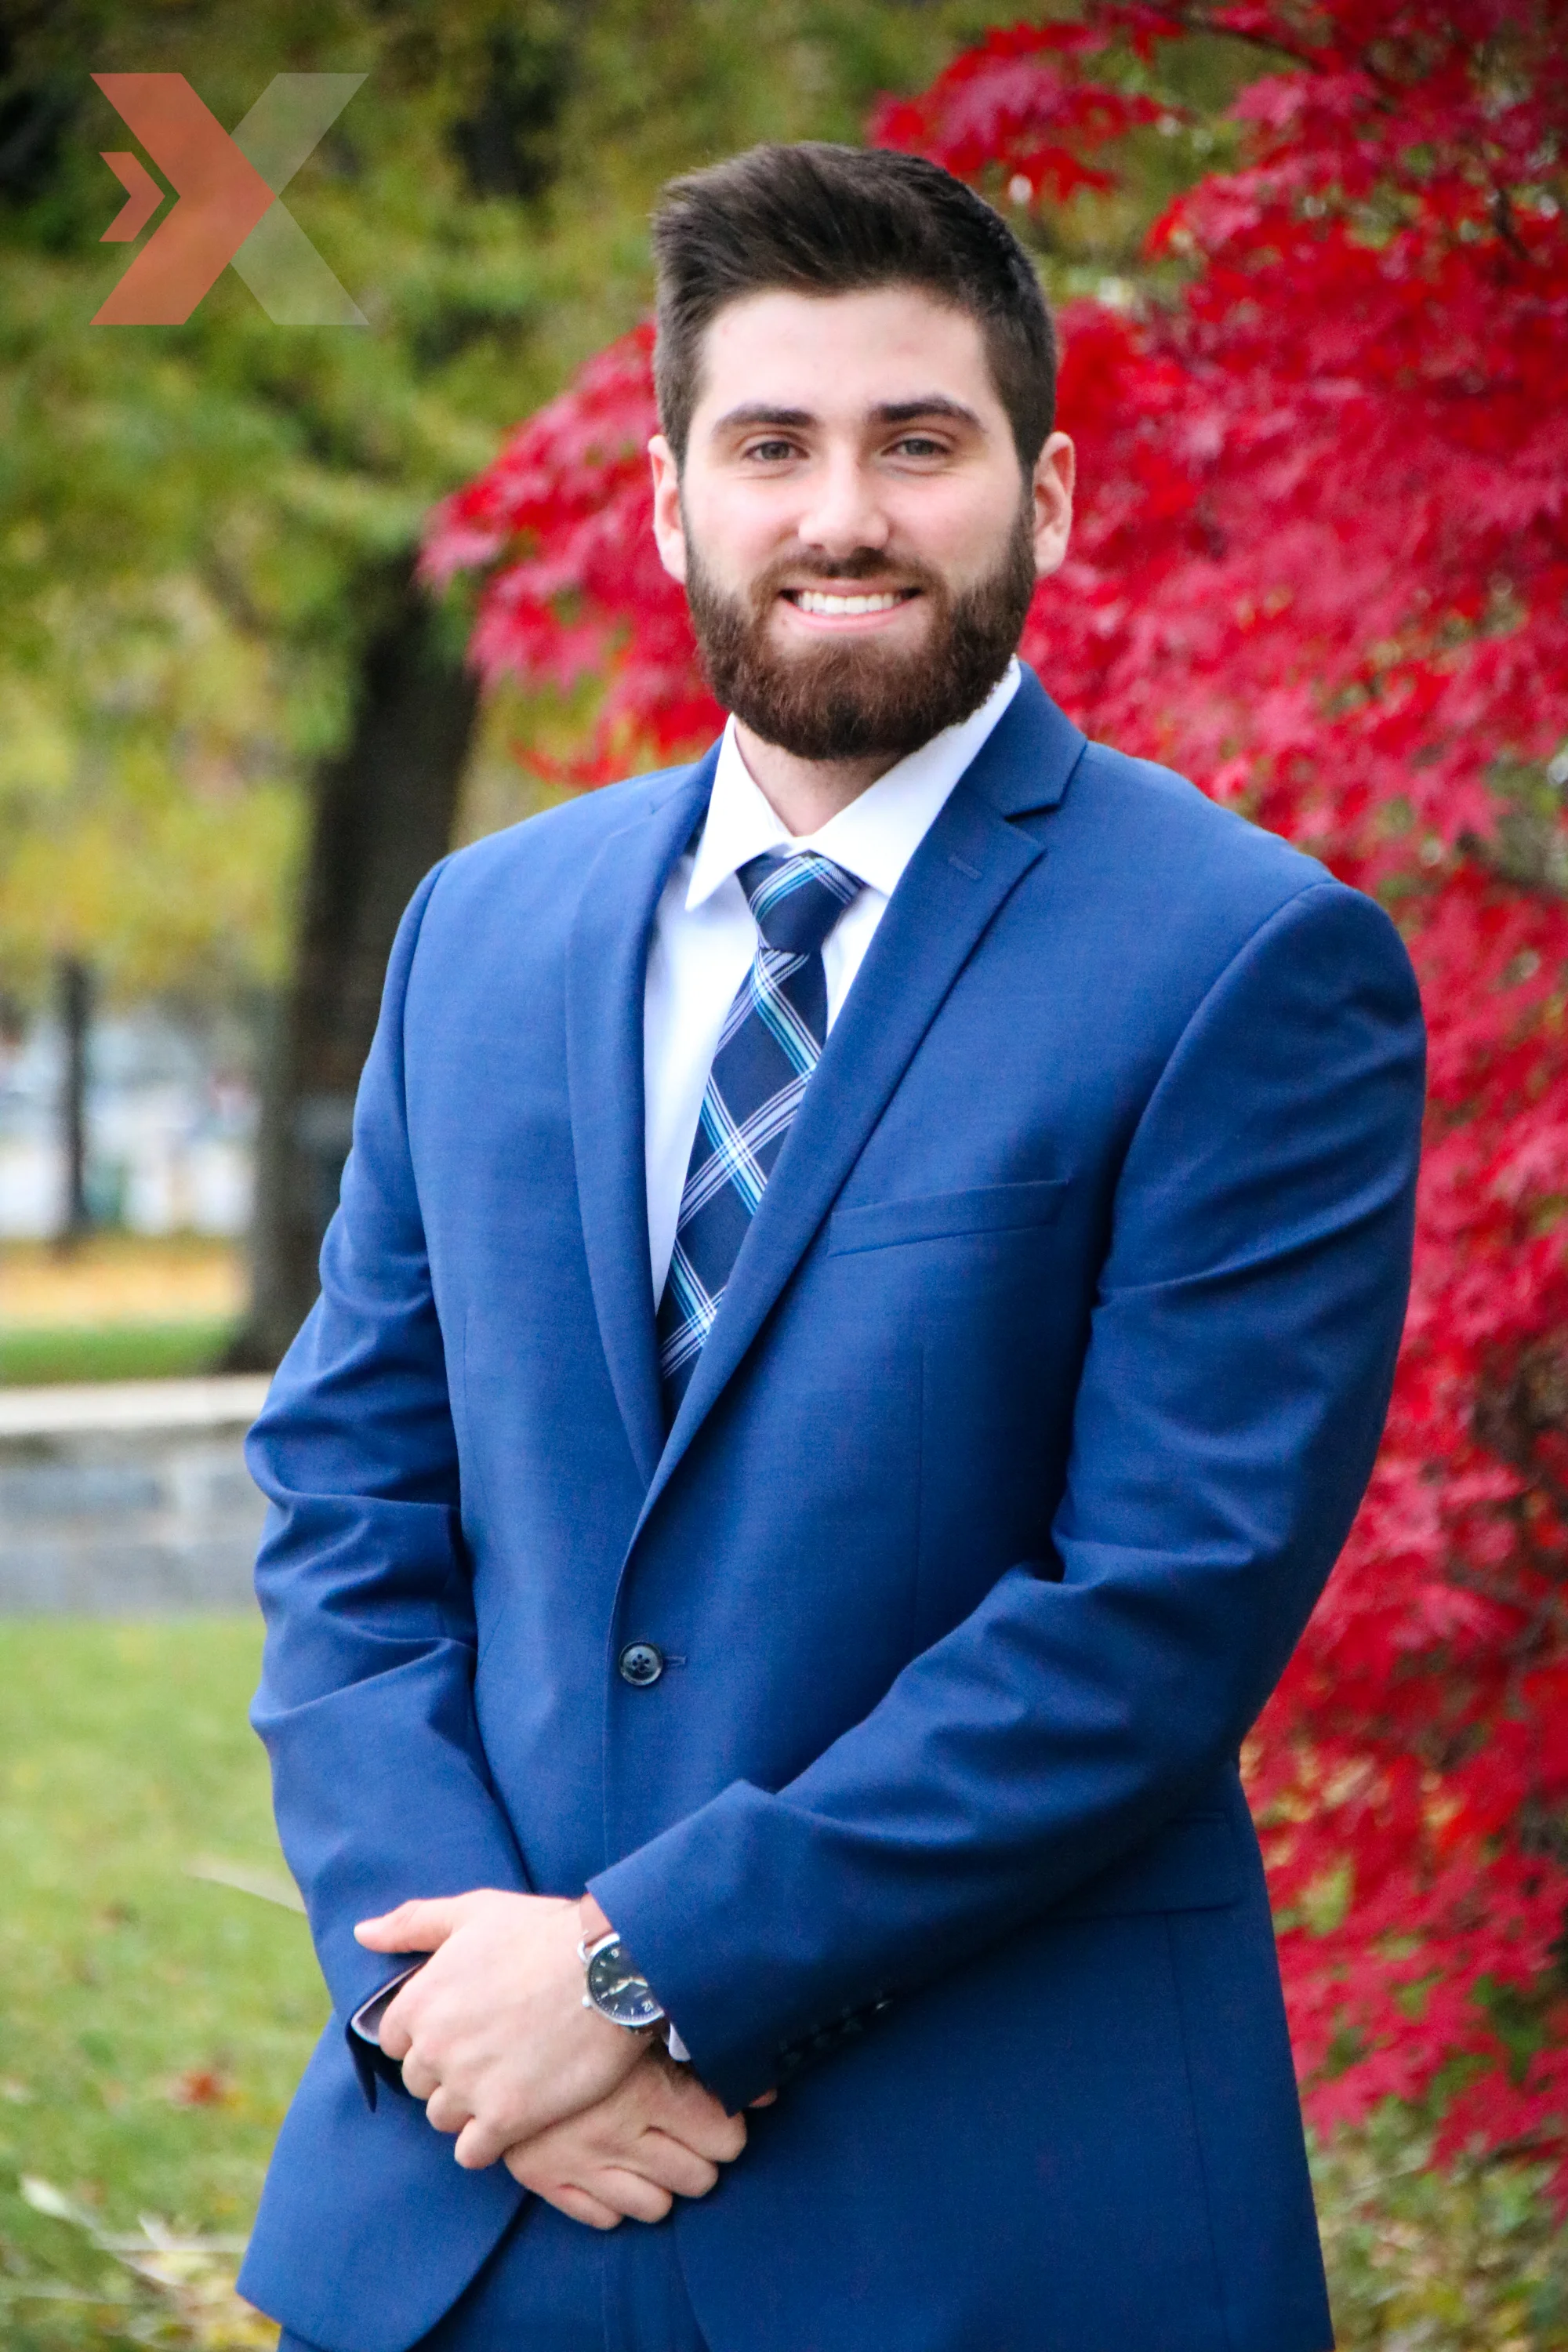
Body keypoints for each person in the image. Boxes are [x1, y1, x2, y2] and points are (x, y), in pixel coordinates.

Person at [241, 141, 1425, 2352]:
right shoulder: (477, 935)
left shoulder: (1250, 961)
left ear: (1046, 498)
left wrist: (633, 1974)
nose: (844, 514)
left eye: (920, 442)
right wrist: (451, 2011)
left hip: (989, 2219)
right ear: (672, 503)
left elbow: (1152, 1614)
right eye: (771, 445)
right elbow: (347, 1502)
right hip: (471, 2206)